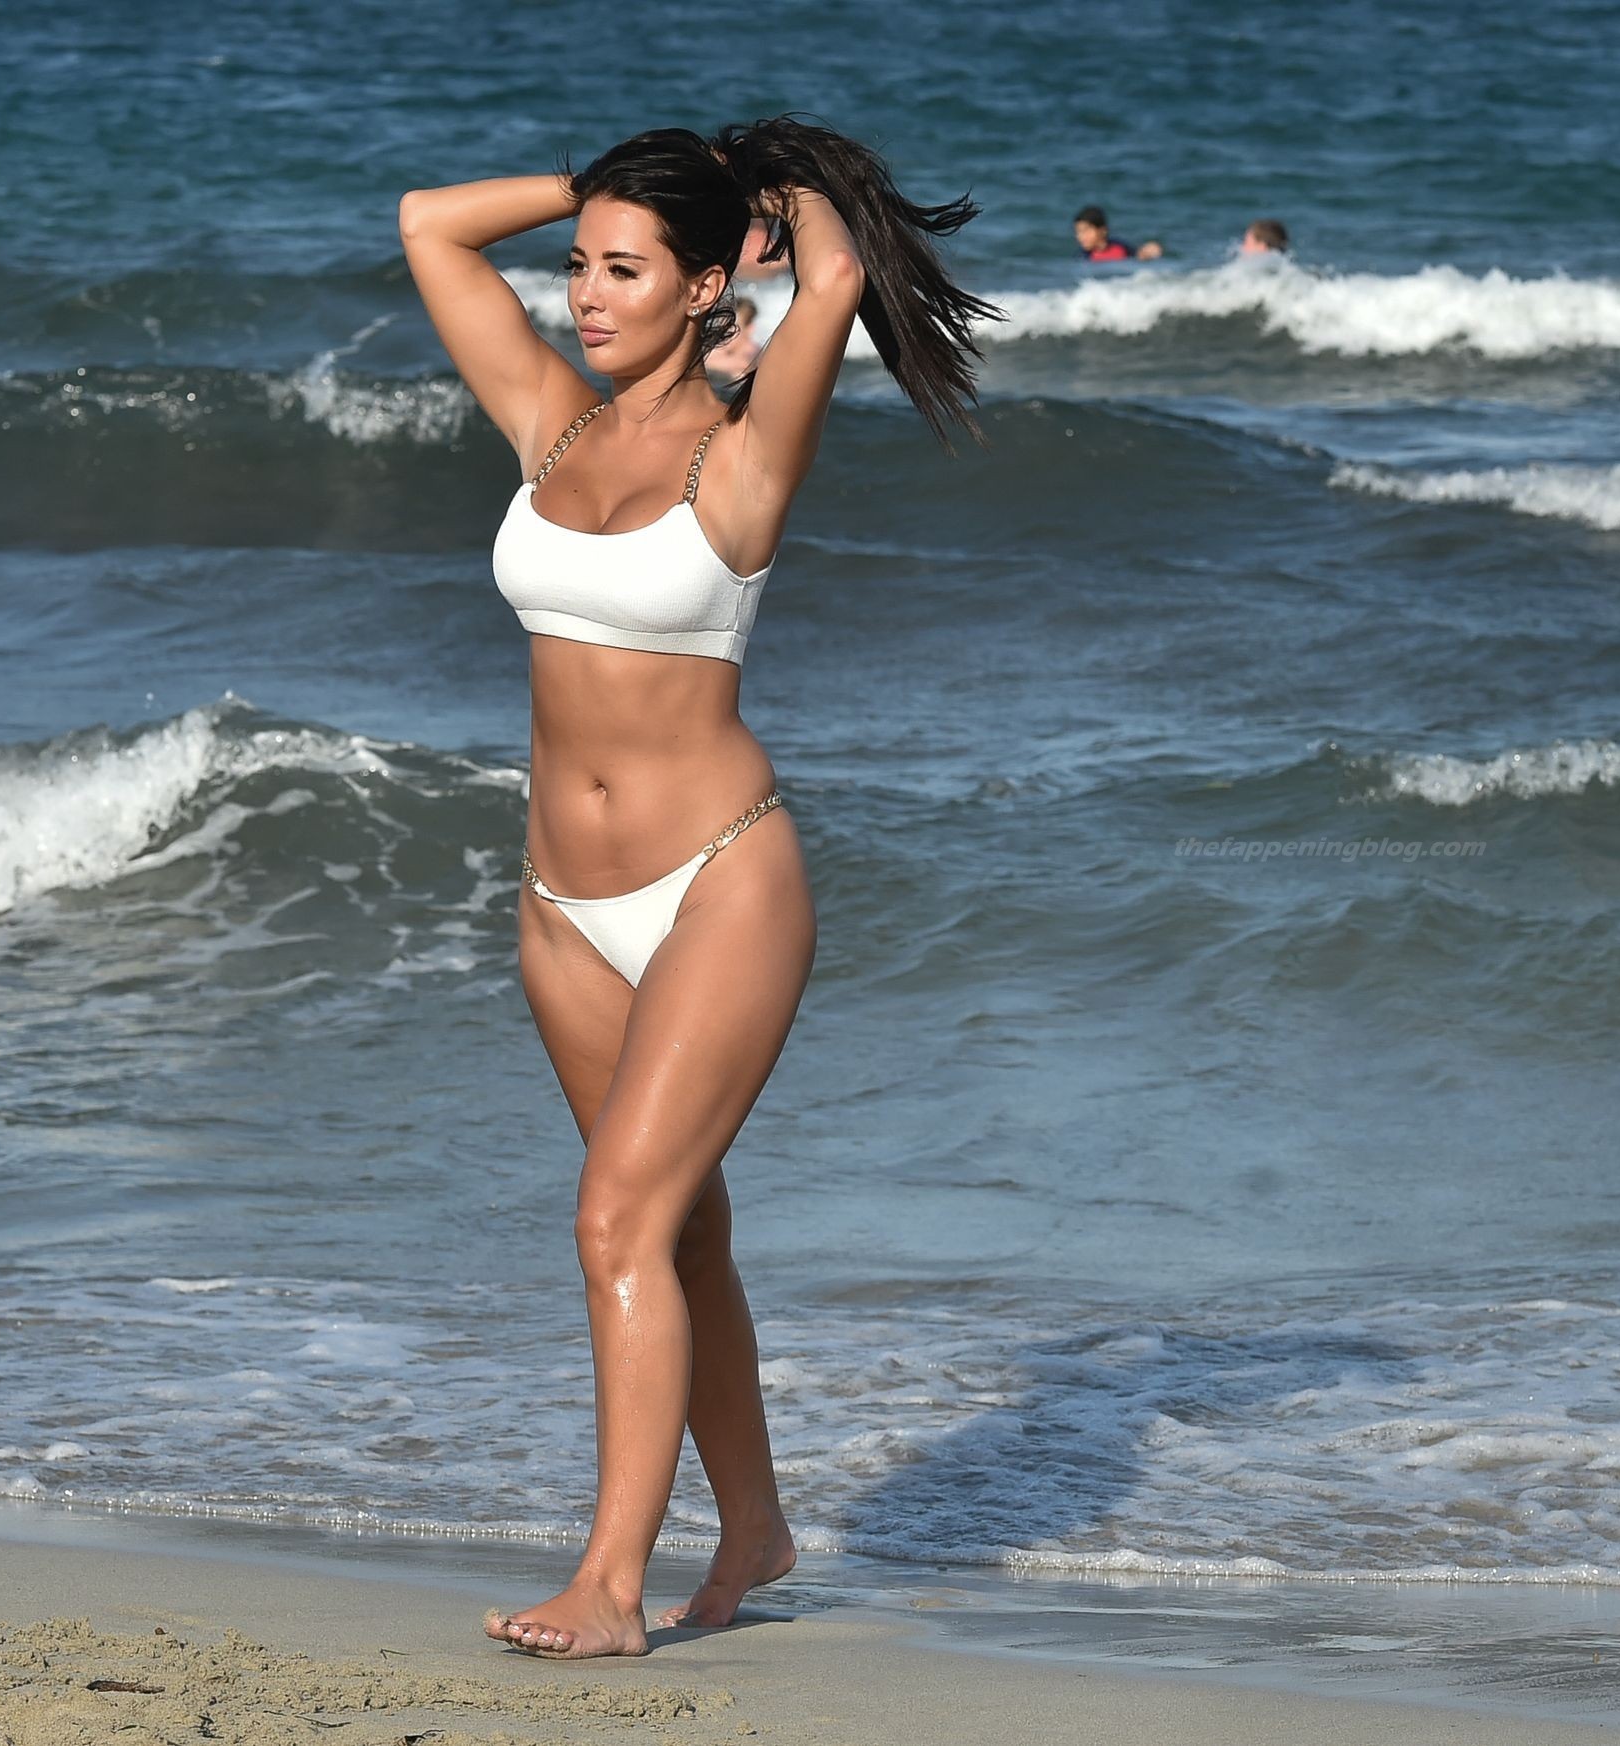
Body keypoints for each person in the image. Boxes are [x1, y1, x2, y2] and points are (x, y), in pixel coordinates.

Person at [397, 116, 996, 1661]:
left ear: (707, 282)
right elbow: (428, 224)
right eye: (579, 266)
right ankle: (756, 1523)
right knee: (678, 1233)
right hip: (562, 908)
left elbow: (837, 275)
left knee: (616, 1218)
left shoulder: (743, 453)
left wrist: (764, 199)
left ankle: (609, 1581)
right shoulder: (552, 426)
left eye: (624, 268)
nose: (586, 296)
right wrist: (603, 180)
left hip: (720, 883)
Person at [1073, 203, 1162, 262]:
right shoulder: (1082, 257)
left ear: (1102, 230)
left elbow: (1139, 255)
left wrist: (1149, 251)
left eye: (1085, 231)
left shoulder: (1120, 246)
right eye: (1078, 232)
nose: (1080, 237)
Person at [705, 292, 762, 380]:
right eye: (722, 326)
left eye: (733, 328)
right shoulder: (721, 347)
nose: (725, 333)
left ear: (750, 329)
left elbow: (745, 364)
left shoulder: (752, 351)